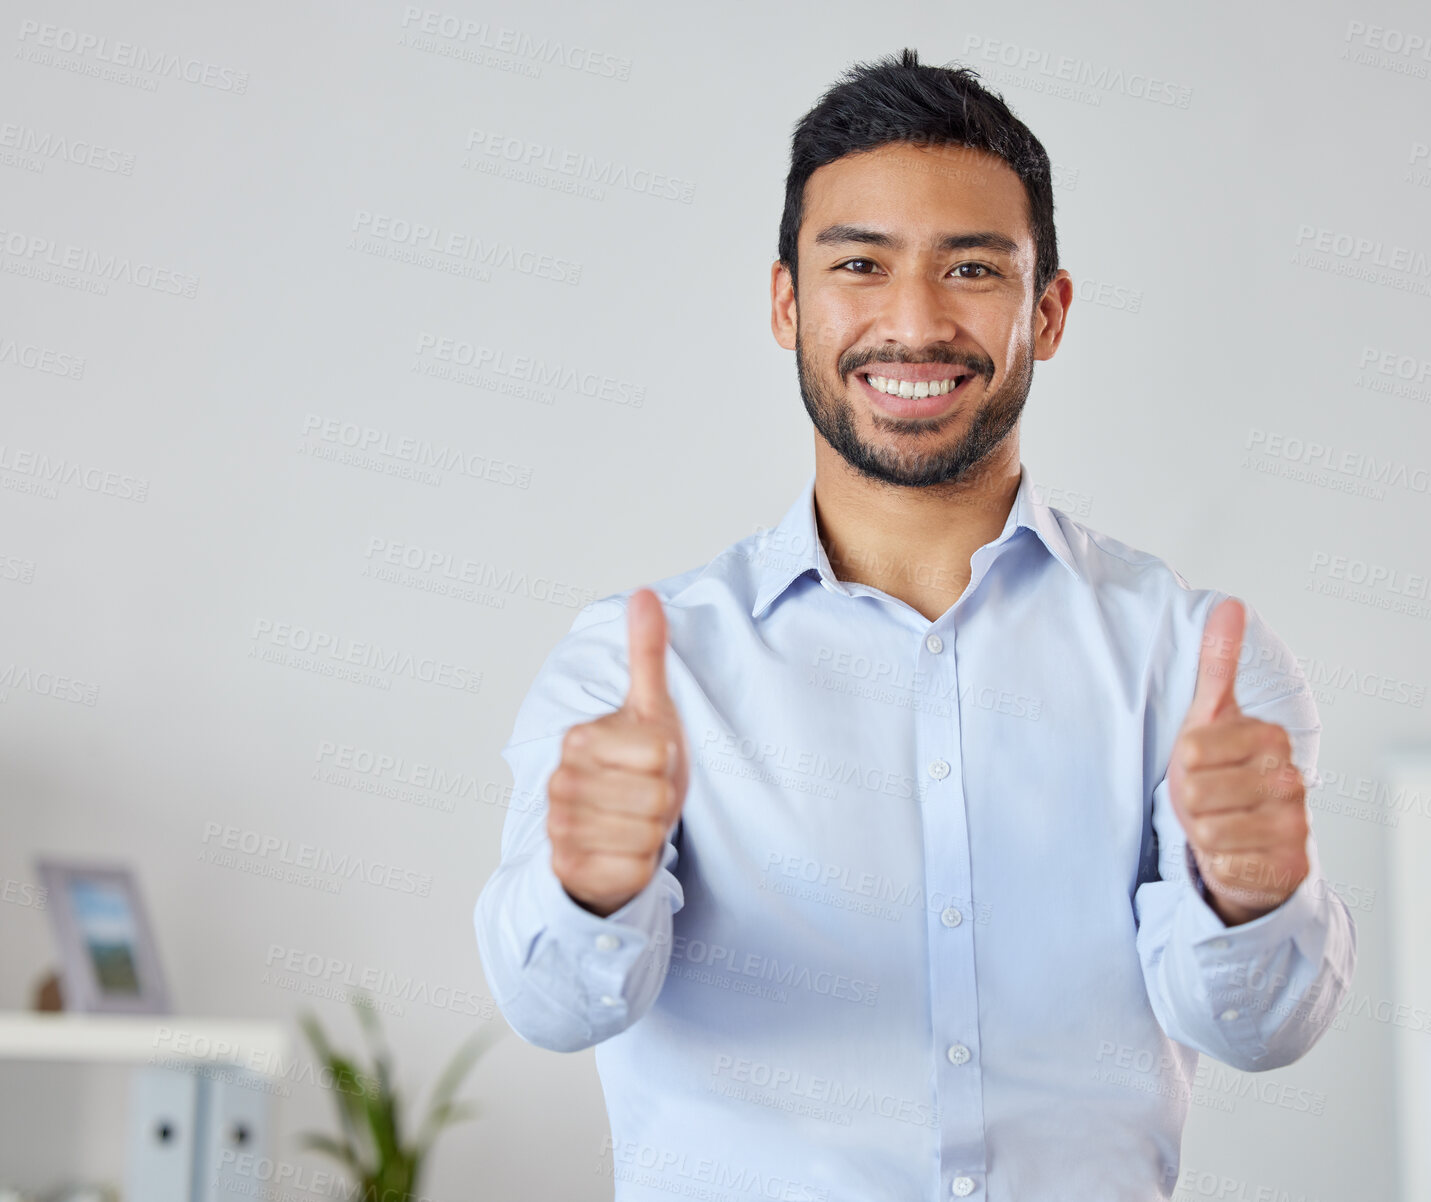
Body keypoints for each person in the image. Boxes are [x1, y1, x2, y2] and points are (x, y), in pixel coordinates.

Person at [475, 47, 1355, 1199]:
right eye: (858, 263)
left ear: (1047, 311)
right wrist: (591, 885)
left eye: (972, 269)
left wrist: (1248, 898)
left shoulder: (1189, 664)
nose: (914, 320)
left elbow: (1262, 1028)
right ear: (786, 301)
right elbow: (550, 1005)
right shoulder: (638, 670)